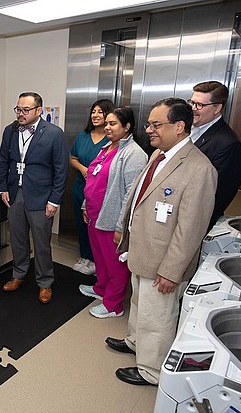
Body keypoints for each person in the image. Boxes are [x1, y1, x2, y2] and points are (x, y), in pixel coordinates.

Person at [106, 98, 217, 386]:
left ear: (179, 126)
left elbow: (191, 229)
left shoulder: (198, 169)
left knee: (158, 318)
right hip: (143, 250)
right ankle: (134, 342)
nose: (150, 130)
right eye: (149, 124)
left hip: (163, 261)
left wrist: (171, 270)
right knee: (140, 304)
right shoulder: (159, 154)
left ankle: (152, 369)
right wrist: (124, 229)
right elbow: (137, 198)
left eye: (156, 124)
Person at [0, 92, 69, 304]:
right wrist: (2, 188)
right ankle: (18, 274)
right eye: (18, 109)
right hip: (15, 194)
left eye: (25, 110)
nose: (20, 113)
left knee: (42, 242)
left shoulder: (54, 134)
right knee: (17, 239)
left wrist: (54, 201)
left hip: (42, 196)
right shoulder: (10, 131)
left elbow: (61, 170)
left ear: (39, 111)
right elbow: (3, 161)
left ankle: (45, 282)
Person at [78, 107, 147, 318]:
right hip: (94, 214)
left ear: (127, 127)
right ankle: (101, 288)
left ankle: (113, 305)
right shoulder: (106, 148)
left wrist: (121, 226)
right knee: (100, 258)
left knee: (115, 265)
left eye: (113, 123)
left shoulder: (133, 154)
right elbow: (93, 178)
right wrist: (84, 206)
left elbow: (130, 194)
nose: (107, 127)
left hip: (111, 218)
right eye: (106, 123)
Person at [188, 81, 241, 229]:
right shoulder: (186, 128)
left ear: (217, 108)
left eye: (199, 105)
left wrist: (197, 224)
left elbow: (221, 193)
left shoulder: (227, 143)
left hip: (195, 221)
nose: (193, 109)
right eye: (192, 102)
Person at [70, 99, 115, 275]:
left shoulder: (112, 139)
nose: (95, 115)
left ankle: (98, 261)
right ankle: (85, 257)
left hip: (100, 191)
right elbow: (73, 158)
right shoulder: (83, 136)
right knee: (82, 224)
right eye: (93, 112)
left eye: (100, 112)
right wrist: (83, 169)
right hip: (81, 187)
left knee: (97, 226)